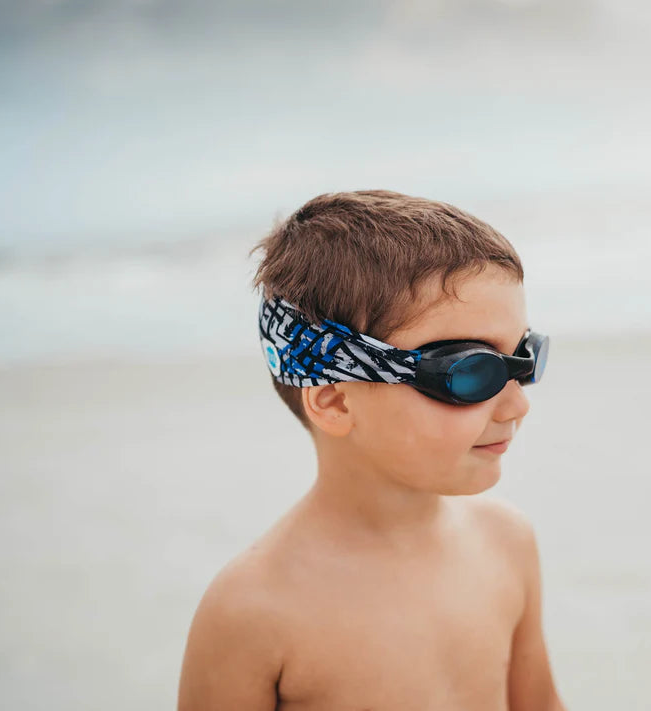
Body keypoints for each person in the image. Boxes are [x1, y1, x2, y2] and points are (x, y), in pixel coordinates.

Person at [177, 190, 567, 711]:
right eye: (471, 372)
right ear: (335, 401)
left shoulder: (506, 542)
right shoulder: (253, 612)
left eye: (525, 358)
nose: (518, 405)